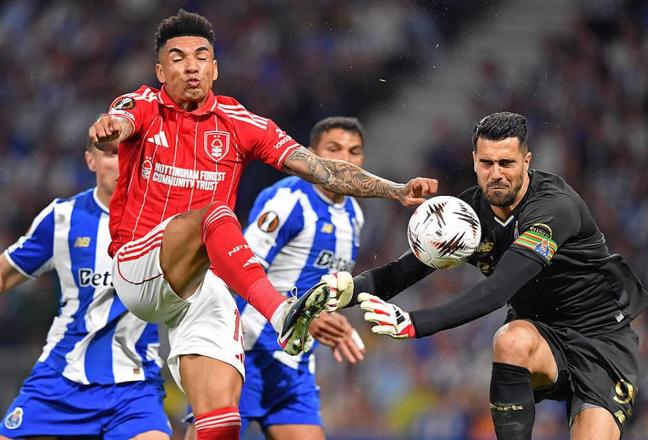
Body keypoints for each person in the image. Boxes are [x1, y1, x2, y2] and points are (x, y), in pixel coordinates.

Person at [87, 9, 437, 439]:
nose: (191, 66)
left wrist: (396, 190)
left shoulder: (240, 123)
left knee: (221, 422)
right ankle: (282, 313)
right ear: (161, 71)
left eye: (201, 57)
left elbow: (323, 170)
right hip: (139, 268)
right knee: (216, 214)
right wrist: (110, 128)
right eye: (177, 58)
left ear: (215, 68)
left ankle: (275, 324)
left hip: (200, 286)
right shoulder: (143, 105)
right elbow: (119, 121)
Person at [331, 112, 648, 440]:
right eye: (486, 163)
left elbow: (499, 290)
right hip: (539, 338)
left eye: (506, 163)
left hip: (600, 341)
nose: (496, 174)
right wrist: (349, 291)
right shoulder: (465, 216)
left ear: (526, 161)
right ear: (474, 161)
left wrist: (415, 322)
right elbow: (403, 271)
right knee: (510, 340)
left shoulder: (554, 206)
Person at [183, 116, 368, 440]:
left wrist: (328, 318)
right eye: (334, 149)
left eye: (354, 151)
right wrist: (301, 317)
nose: (344, 159)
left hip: (293, 365)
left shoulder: (354, 214)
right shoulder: (287, 200)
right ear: (311, 155)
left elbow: (315, 282)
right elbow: (236, 271)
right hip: (245, 353)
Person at [0, 142, 171, 439]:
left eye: (130, 153)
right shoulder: (62, 218)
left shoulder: (168, 222)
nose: (122, 162)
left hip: (135, 386)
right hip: (60, 380)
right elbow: (4, 275)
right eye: (111, 153)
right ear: (91, 161)